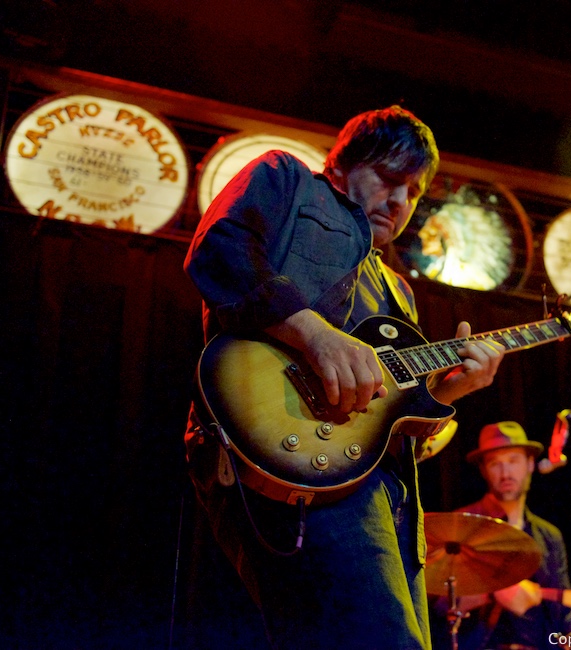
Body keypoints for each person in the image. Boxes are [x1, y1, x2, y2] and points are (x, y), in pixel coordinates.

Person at [182, 105, 505, 650]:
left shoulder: (399, 291)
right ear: (341, 163)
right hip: (285, 450)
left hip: (381, 485)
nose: (400, 201)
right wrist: (314, 333)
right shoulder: (286, 178)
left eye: (414, 192)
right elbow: (220, 248)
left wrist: (452, 389)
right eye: (388, 178)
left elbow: (397, 418)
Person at [435, 421, 571, 650]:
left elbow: (561, 606)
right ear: (483, 470)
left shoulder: (549, 536)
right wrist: (494, 592)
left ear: (530, 464)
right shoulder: (460, 526)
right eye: (495, 464)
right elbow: (440, 604)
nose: (506, 473)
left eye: (513, 461)